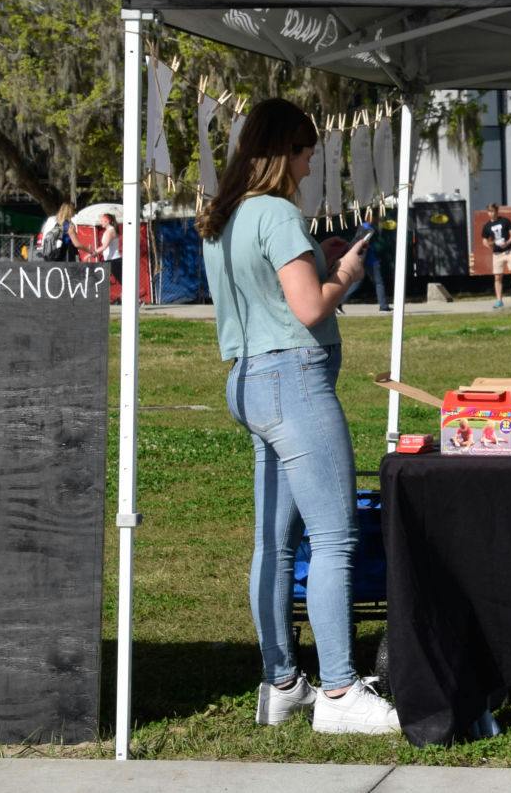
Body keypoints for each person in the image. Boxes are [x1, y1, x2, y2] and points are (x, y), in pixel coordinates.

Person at [197, 97, 399, 735]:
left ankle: (282, 683)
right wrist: (344, 272)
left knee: (275, 543)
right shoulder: (279, 212)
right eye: (308, 152)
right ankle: (340, 692)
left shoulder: (225, 216)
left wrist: (318, 257)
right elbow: (311, 309)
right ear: (284, 150)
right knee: (335, 537)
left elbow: (273, 289)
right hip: (294, 382)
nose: (311, 166)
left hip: (249, 380)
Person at [482, 203, 511, 309]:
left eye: (493, 211)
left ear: (497, 211)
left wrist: (507, 243)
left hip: (509, 251)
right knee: (497, 277)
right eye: (489, 211)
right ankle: (499, 300)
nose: (491, 213)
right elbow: (484, 241)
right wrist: (491, 245)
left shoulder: (504, 221)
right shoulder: (487, 226)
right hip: (497, 254)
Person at [100, 211, 123, 284]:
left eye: (102, 221)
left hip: (114, 260)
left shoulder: (110, 231)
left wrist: (93, 253)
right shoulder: (108, 230)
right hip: (109, 259)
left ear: (108, 221)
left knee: (122, 280)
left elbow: (104, 246)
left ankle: (131, 294)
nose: (101, 223)